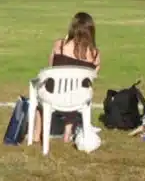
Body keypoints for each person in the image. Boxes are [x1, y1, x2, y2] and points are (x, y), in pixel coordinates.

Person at [32, 12, 100, 144]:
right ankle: (67, 133)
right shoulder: (95, 54)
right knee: (78, 89)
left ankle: (36, 134)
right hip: (78, 97)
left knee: (39, 92)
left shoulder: (59, 45)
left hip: (54, 94)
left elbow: (51, 68)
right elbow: (92, 77)